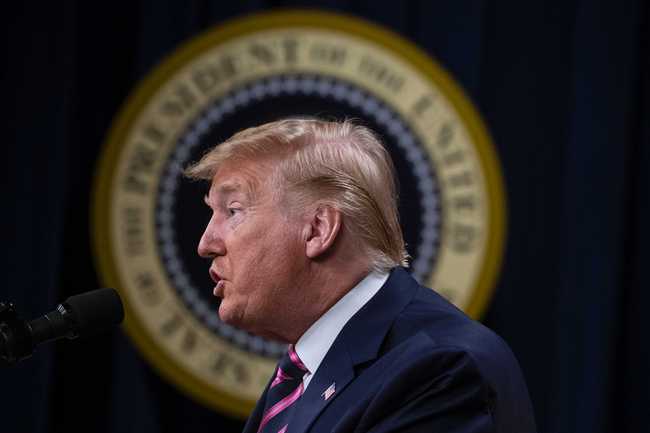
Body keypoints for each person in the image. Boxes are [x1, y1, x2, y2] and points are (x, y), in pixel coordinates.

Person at [185, 118, 536, 433]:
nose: (206, 243)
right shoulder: (303, 374)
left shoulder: (439, 369)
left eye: (233, 211)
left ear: (318, 230)